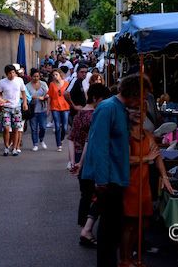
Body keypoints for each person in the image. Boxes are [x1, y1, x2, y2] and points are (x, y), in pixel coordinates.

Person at [81, 74, 147, 267]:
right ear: (134, 93)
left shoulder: (119, 108)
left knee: (112, 230)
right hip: (108, 179)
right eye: (142, 96)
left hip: (116, 177)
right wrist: (101, 180)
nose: (143, 101)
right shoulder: (108, 107)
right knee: (108, 232)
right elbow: (98, 145)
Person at [120, 113, 173, 267]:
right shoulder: (126, 135)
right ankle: (125, 259)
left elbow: (157, 156)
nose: (138, 113)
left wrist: (165, 177)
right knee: (129, 224)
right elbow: (125, 159)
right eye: (135, 109)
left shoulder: (147, 135)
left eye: (142, 110)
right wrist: (145, 158)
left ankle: (133, 255)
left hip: (144, 186)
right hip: (129, 185)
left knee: (143, 223)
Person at [67, 83, 111, 247]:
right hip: (90, 157)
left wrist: (73, 161)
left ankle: (84, 227)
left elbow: (71, 138)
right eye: (103, 99)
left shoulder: (80, 114)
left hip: (79, 155)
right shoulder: (97, 115)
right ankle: (87, 230)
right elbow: (89, 141)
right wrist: (81, 161)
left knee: (85, 194)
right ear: (95, 98)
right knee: (96, 194)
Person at [0, 65, 28, 156]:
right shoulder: (2, 82)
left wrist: (25, 103)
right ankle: (6, 147)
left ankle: (14, 148)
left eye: (13, 72)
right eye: (10, 73)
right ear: (6, 74)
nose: (12, 74)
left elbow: (23, 92)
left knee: (16, 128)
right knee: (6, 128)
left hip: (16, 107)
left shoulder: (19, 80)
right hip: (6, 107)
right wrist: (0, 99)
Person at [26, 68, 49, 151]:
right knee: (33, 128)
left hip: (42, 108)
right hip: (32, 110)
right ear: (31, 76)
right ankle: (35, 144)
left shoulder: (43, 84)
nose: (36, 78)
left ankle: (41, 139)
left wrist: (46, 97)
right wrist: (37, 97)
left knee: (43, 127)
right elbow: (27, 97)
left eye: (37, 76)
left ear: (40, 76)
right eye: (34, 76)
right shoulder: (27, 86)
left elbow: (48, 94)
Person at [48, 69, 70, 151]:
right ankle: (59, 144)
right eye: (53, 75)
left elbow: (69, 95)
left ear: (60, 75)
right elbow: (50, 96)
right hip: (55, 107)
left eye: (56, 74)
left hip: (65, 107)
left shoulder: (67, 84)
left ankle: (61, 138)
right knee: (57, 126)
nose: (54, 76)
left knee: (64, 127)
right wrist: (48, 108)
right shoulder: (51, 84)